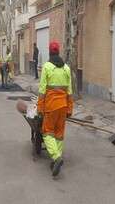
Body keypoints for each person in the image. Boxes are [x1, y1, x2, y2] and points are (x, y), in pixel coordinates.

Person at [37, 41, 73, 177]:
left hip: (51, 106)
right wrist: (70, 109)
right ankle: (56, 158)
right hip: (63, 105)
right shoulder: (66, 69)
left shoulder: (46, 67)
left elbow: (42, 90)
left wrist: (40, 108)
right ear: (58, 52)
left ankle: (56, 157)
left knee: (47, 133)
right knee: (59, 133)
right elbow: (70, 91)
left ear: (50, 52)